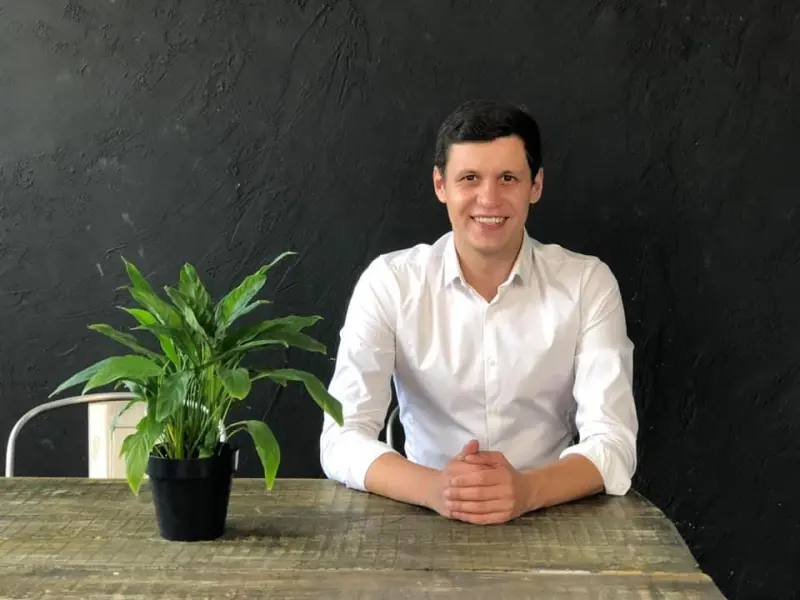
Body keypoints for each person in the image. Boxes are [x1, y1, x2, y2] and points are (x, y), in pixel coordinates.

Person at [319, 99, 638, 525]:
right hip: (418, 515)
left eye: (508, 178)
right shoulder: (390, 282)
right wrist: (436, 489)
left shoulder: (587, 283)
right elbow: (341, 436)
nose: (488, 198)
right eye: (469, 178)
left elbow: (613, 440)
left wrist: (526, 491)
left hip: (553, 513)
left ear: (536, 186)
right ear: (440, 185)